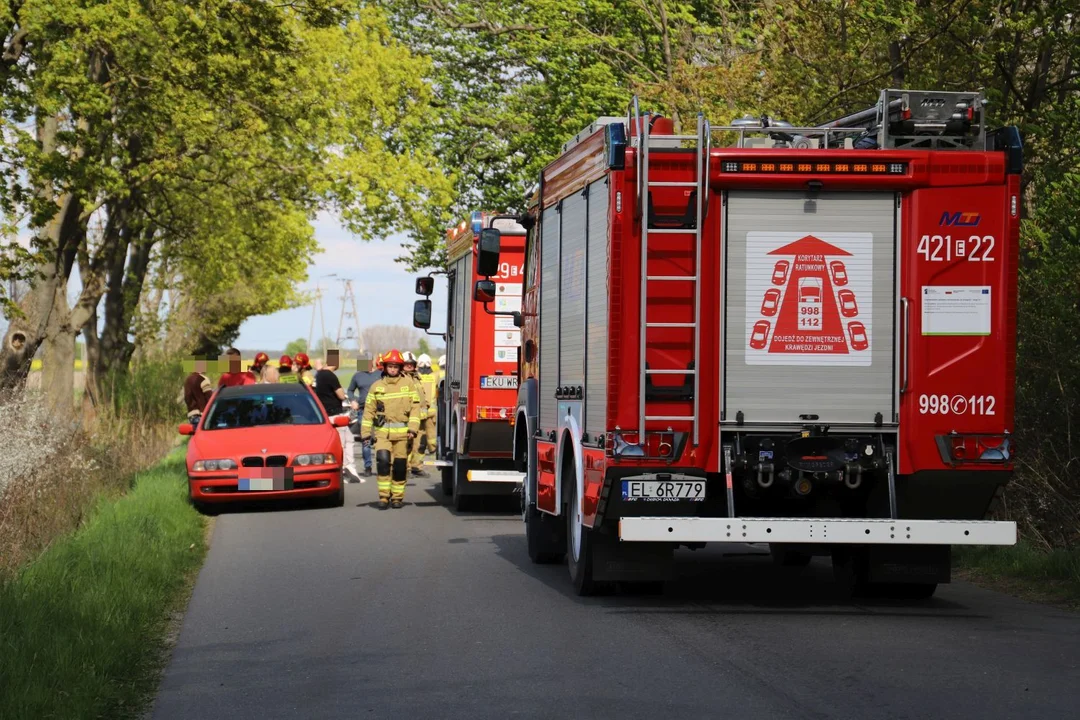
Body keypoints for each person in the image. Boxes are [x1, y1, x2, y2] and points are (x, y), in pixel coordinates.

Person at [360, 349, 420, 509]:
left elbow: (415, 408)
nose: (392, 369)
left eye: (395, 366)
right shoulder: (376, 387)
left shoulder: (408, 385)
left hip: (403, 435)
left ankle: (397, 497)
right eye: (390, 366)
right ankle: (384, 497)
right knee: (383, 462)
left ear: (400, 368)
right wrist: (365, 433)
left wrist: (413, 429)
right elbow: (368, 411)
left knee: (400, 467)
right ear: (385, 367)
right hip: (382, 434)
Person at [315, 349, 360, 483]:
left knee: (348, 439)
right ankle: (346, 470)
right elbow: (340, 394)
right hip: (335, 413)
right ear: (336, 361)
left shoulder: (320, 374)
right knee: (344, 442)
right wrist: (346, 397)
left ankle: (347, 469)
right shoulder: (330, 376)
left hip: (325, 413)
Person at [347, 356, 382, 477]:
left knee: (381, 439)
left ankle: (383, 466)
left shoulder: (381, 373)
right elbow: (350, 390)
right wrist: (352, 400)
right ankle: (368, 467)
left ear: (371, 362)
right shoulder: (357, 376)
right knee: (365, 440)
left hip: (380, 412)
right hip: (363, 411)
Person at [400, 351, 428, 477]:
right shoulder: (400, 379)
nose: (409, 366)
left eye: (412, 364)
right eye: (407, 364)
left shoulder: (417, 378)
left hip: (420, 419)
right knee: (407, 444)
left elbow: (422, 396)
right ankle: (405, 469)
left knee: (420, 445)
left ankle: (416, 467)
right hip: (408, 418)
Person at [415, 353, 438, 472]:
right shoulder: (434, 376)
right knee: (427, 440)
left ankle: (415, 466)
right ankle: (433, 451)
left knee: (418, 441)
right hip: (430, 414)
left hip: (418, 413)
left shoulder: (415, 377)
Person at [183, 358, 214, 427]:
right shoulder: (203, 379)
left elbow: (187, 398)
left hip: (191, 415)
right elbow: (209, 398)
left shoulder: (187, 380)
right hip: (202, 415)